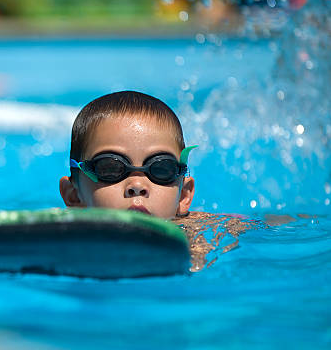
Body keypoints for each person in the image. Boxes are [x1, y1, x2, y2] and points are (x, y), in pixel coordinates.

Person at [59, 90, 256, 271]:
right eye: (111, 167)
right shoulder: (57, 234)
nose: (137, 186)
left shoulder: (203, 233)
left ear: (184, 197)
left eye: (161, 169)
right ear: (74, 196)